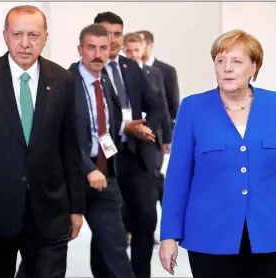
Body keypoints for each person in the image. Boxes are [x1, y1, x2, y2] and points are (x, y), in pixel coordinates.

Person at [0, 5, 85, 278]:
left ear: (45, 38)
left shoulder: (63, 80)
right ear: (5, 36)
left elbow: (71, 149)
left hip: (49, 212)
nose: (24, 44)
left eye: (33, 35)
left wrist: (76, 208)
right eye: (17, 34)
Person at [159, 29, 276, 278]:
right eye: (220, 61)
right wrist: (169, 235)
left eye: (236, 61)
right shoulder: (193, 108)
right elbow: (177, 178)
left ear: (254, 67)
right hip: (210, 237)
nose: (227, 68)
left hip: (271, 235)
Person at [69, 23, 155, 278]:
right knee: (46, 251)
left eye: (103, 48)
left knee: (116, 247)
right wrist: (88, 168)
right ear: (80, 50)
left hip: (106, 177)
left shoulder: (105, 81)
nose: (98, 54)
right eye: (91, 48)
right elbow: (62, 136)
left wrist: (128, 128)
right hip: (70, 179)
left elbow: (105, 127)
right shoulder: (64, 82)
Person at [92, 12, 164, 278]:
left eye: (117, 33)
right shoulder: (84, 71)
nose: (112, 39)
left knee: (146, 220)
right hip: (104, 161)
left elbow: (156, 106)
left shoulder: (130, 67)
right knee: (110, 227)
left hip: (137, 157)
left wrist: (145, 127)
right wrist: (125, 126)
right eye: (106, 33)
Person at [123, 32, 172, 245]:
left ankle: (146, 228)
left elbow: (164, 106)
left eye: (136, 50)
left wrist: (167, 138)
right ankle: (128, 228)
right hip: (127, 140)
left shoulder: (156, 73)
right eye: (129, 50)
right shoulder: (119, 74)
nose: (133, 54)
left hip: (152, 140)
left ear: (144, 50)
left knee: (151, 186)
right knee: (129, 190)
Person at [136, 30, 180, 130]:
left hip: (160, 131)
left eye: (140, 43)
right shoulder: (130, 70)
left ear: (149, 45)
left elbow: (173, 104)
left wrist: (169, 136)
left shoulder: (166, 70)